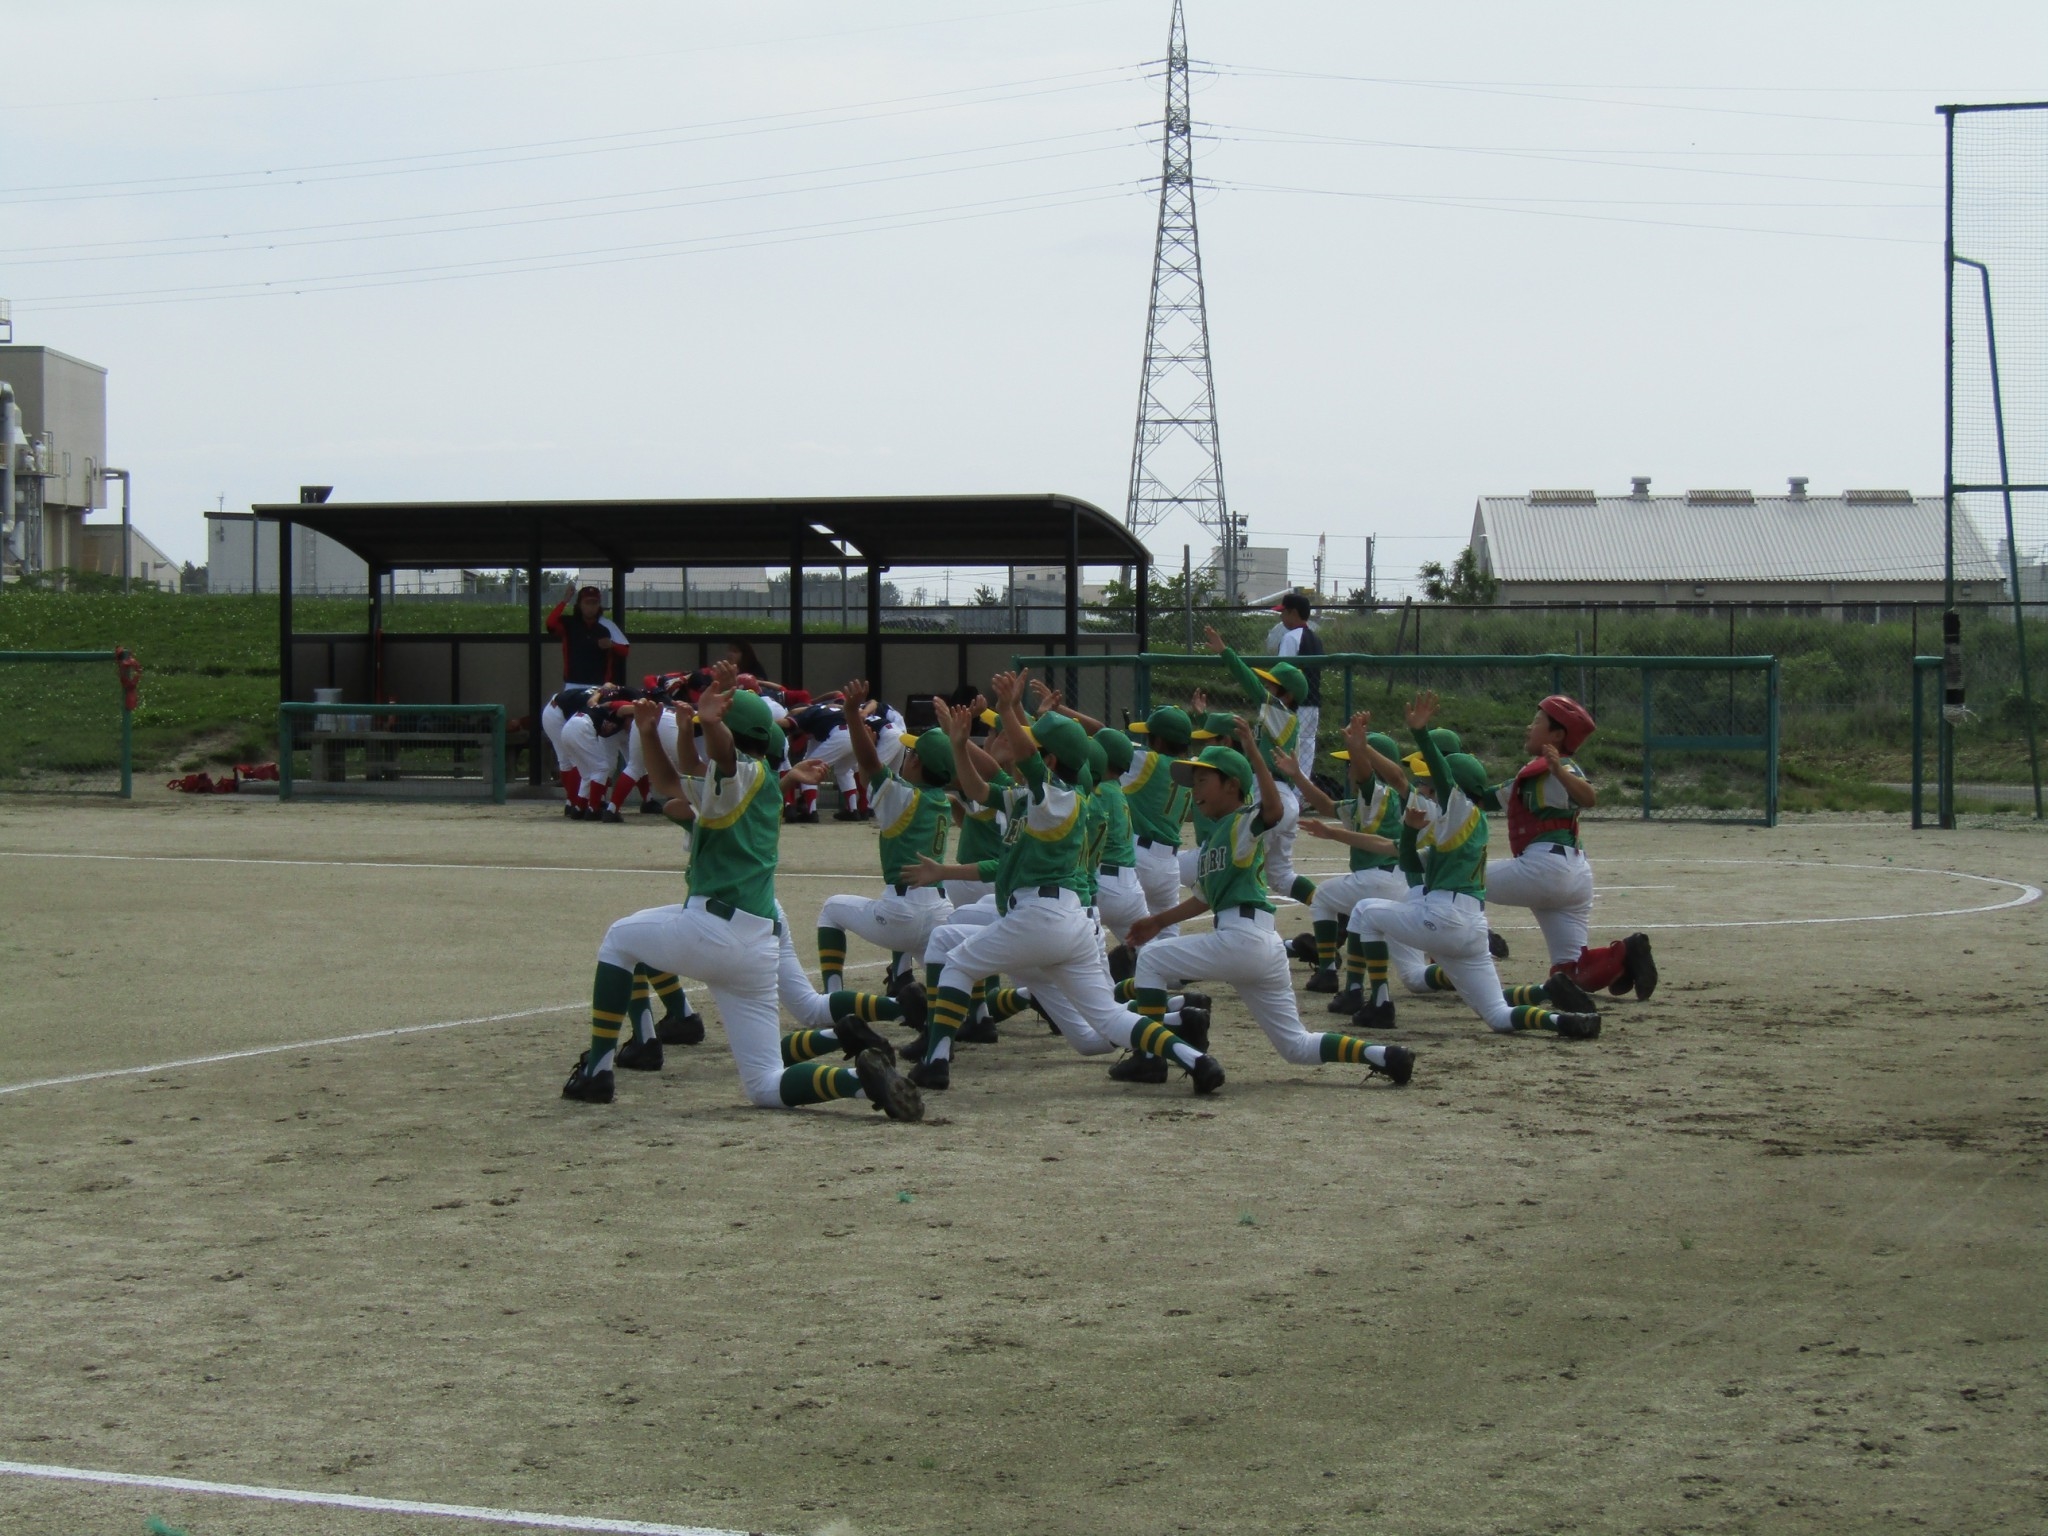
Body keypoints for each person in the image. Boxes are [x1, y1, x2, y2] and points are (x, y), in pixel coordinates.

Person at [559, 666, 923, 1119]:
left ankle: (597, 1070)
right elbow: (682, 776)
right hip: (756, 946)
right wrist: (662, 732)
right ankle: (855, 1080)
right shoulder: (765, 783)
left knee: (619, 939)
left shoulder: (739, 774)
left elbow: (695, 773)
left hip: (712, 928)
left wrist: (706, 724)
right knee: (765, 1083)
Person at [899, 672, 1223, 1095]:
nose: (1025, 750)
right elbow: (979, 787)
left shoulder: (1058, 796)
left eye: (1039, 748)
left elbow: (1029, 759)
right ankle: (1197, 1061)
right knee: (1102, 1026)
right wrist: (960, 745)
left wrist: (1010, 709)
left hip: (1040, 915)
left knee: (957, 963)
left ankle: (935, 1064)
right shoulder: (1042, 797)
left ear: (1050, 761)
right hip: (1070, 923)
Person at [1122, 718, 1415, 1087]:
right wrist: (1157, 921)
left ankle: (1151, 1059)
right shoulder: (1217, 839)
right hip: (1262, 946)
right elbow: (1203, 899)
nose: (1194, 791)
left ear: (1232, 785)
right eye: (1192, 783)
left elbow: (1272, 810)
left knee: (1151, 959)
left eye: (1202, 781)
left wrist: (1254, 753)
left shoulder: (1243, 821)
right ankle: (1384, 1055)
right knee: (1295, 1046)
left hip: (1240, 940)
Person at [1344, 693, 1604, 1040]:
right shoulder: (1453, 824)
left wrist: (1420, 733)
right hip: (1470, 929)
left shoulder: (1459, 809)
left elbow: (1438, 775)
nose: (1426, 786)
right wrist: (1408, 830)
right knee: (1498, 1014)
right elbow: (1408, 863)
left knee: (1364, 910)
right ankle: (1563, 1022)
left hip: (1444, 918)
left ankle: (1378, 1003)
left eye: (1430, 783)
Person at [1483, 695, 1659, 1003]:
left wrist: (1560, 771)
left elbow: (1588, 797)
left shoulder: (1559, 767)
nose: (1529, 726)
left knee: (1456, 879)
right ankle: (1624, 953)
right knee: (1570, 973)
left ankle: (1473, 943)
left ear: (1557, 735)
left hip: (1544, 870)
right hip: (1573, 875)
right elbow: (1483, 799)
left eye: (1536, 722)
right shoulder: (1533, 772)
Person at [815, 678, 958, 996]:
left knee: (831, 908)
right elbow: (873, 779)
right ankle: (978, 1013)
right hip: (939, 913)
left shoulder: (904, 796)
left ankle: (833, 998)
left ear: (917, 761)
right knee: (948, 981)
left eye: (910, 754)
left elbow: (870, 765)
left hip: (901, 914)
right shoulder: (941, 801)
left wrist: (852, 714)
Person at [1288, 712, 1410, 992]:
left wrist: (1359, 747)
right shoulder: (1366, 803)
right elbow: (1327, 807)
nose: (1347, 769)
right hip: (1399, 883)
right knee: (1414, 976)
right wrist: (1297, 775)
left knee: (1322, 897)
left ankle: (1327, 971)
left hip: (1378, 879)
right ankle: (1438, 974)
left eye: (1350, 762)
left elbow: (1366, 776)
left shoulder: (1377, 794)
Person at [1202, 624, 1316, 909]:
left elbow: (1250, 685)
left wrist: (1225, 652)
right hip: (1284, 800)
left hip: (1269, 797)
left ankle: (1249, 930)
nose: (1265, 688)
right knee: (1280, 876)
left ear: (1286, 695)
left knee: (1237, 863)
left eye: (1271, 686)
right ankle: (1328, 907)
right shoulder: (1280, 721)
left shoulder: (1280, 712)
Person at [1269, 593, 1324, 776]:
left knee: (1289, 745)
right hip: (1313, 703)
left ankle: (1288, 791)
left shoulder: (1291, 637)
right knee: (1307, 748)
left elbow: (1282, 673)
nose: (1281, 616)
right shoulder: (1315, 638)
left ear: (1293, 613)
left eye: (1283, 612)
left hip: (1294, 703)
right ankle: (1302, 794)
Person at [546, 584, 630, 686]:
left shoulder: (607, 625)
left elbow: (624, 651)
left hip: (599, 684)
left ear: (599, 605)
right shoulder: (569, 623)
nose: (591, 607)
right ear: (579, 604)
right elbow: (550, 624)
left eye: (594, 603)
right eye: (587, 603)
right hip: (573, 683)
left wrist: (612, 645)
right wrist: (565, 601)